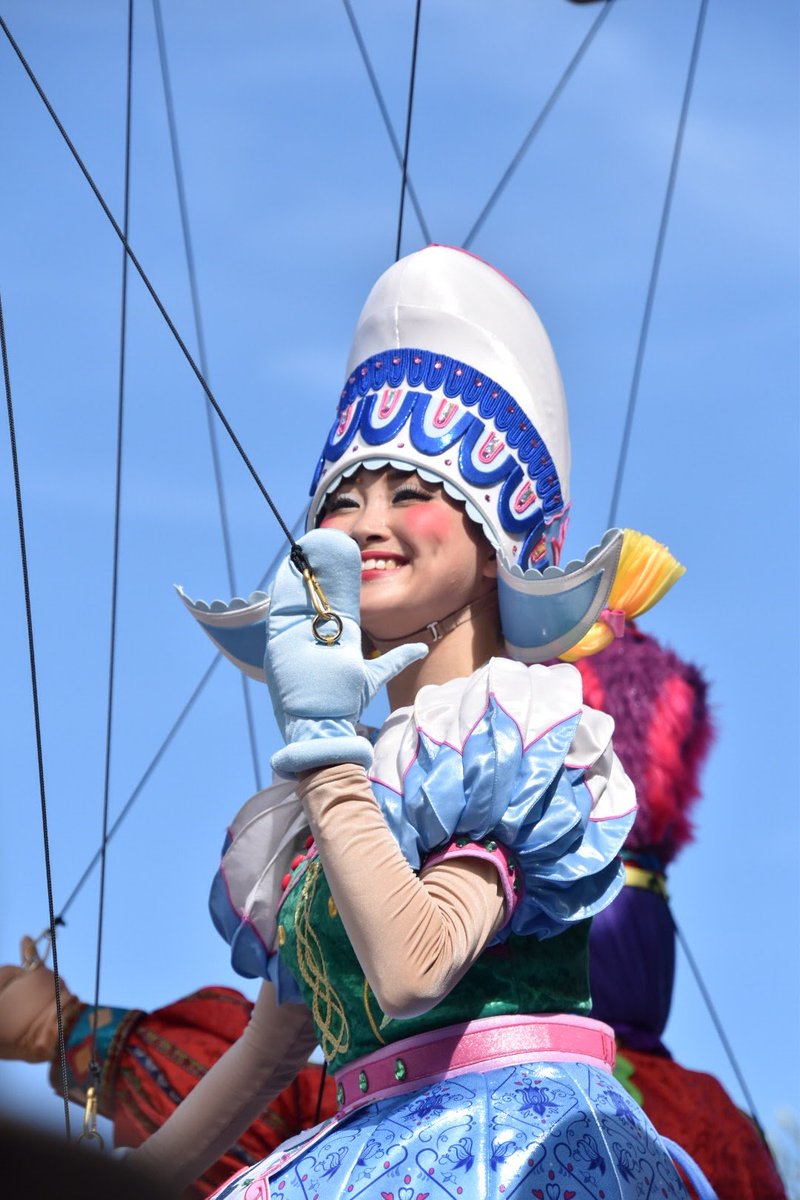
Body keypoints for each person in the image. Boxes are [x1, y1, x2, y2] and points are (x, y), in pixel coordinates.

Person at [114, 248, 716, 1196]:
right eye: (344, 501)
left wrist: (325, 748)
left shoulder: (512, 735)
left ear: (496, 541)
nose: (366, 523)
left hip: (512, 1154)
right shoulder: (337, 796)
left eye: (408, 491)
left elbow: (415, 968)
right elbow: (274, 1049)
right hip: (365, 1147)